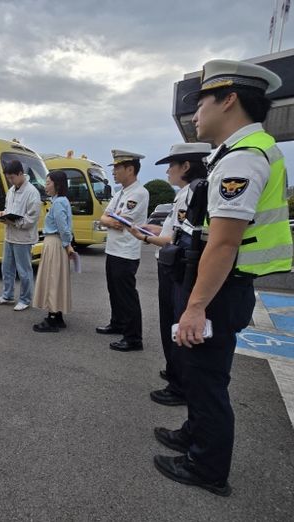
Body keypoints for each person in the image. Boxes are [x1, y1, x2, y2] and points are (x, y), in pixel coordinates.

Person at [153, 60, 292, 496]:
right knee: (199, 373)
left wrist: (195, 306)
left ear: (229, 99)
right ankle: (193, 434)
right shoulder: (240, 153)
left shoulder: (244, 159)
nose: (195, 115)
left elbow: (225, 243)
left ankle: (207, 467)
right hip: (221, 284)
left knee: (208, 378)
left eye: (201, 103)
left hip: (220, 287)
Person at [127, 143, 210, 406]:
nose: (167, 172)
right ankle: (175, 371)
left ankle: (178, 385)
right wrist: (152, 229)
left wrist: (144, 237)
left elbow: (175, 239)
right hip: (175, 266)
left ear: (185, 166)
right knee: (170, 321)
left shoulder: (190, 193)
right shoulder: (188, 192)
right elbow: (173, 230)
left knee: (173, 323)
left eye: (171, 166)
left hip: (176, 268)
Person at [96, 150, 150, 351]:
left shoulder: (139, 193)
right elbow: (104, 217)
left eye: (117, 168)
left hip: (126, 252)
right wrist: (110, 219)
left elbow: (121, 222)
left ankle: (133, 337)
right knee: (114, 291)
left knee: (127, 295)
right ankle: (117, 323)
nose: (114, 172)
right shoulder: (120, 193)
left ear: (130, 169)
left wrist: (111, 219)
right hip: (113, 249)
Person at [0, 159, 41, 311]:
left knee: (24, 270)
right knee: (6, 268)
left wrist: (12, 222)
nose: (10, 181)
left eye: (12, 177)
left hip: (23, 239)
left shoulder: (32, 192)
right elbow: (9, 209)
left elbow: (31, 220)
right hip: (9, 236)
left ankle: (25, 299)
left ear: (21, 174)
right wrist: (3, 214)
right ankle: (7, 295)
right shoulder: (11, 191)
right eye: (8, 178)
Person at [32, 170, 75, 332]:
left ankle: (51, 319)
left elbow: (63, 227)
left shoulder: (58, 203)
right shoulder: (62, 200)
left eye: (48, 182)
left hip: (54, 243)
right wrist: (67, 244)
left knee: (51, 279)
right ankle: (58, 316)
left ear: (57, 185)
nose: (46, 186)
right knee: (57, 279)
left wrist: (67, 243)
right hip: (58, 244)